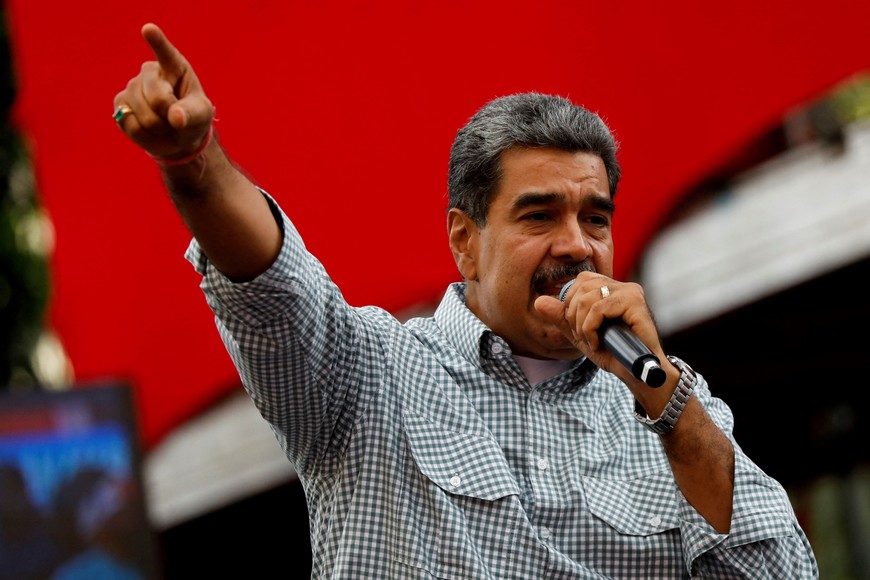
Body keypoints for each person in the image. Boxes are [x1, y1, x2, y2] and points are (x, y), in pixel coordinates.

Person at [113, 22, 819, 578]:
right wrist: (194, 161)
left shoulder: (671, 413)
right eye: (539, 216)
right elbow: (271, 284)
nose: (577, 245)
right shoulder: (366, 375)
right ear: (465, 241)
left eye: (595, 218)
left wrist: (668, 406)